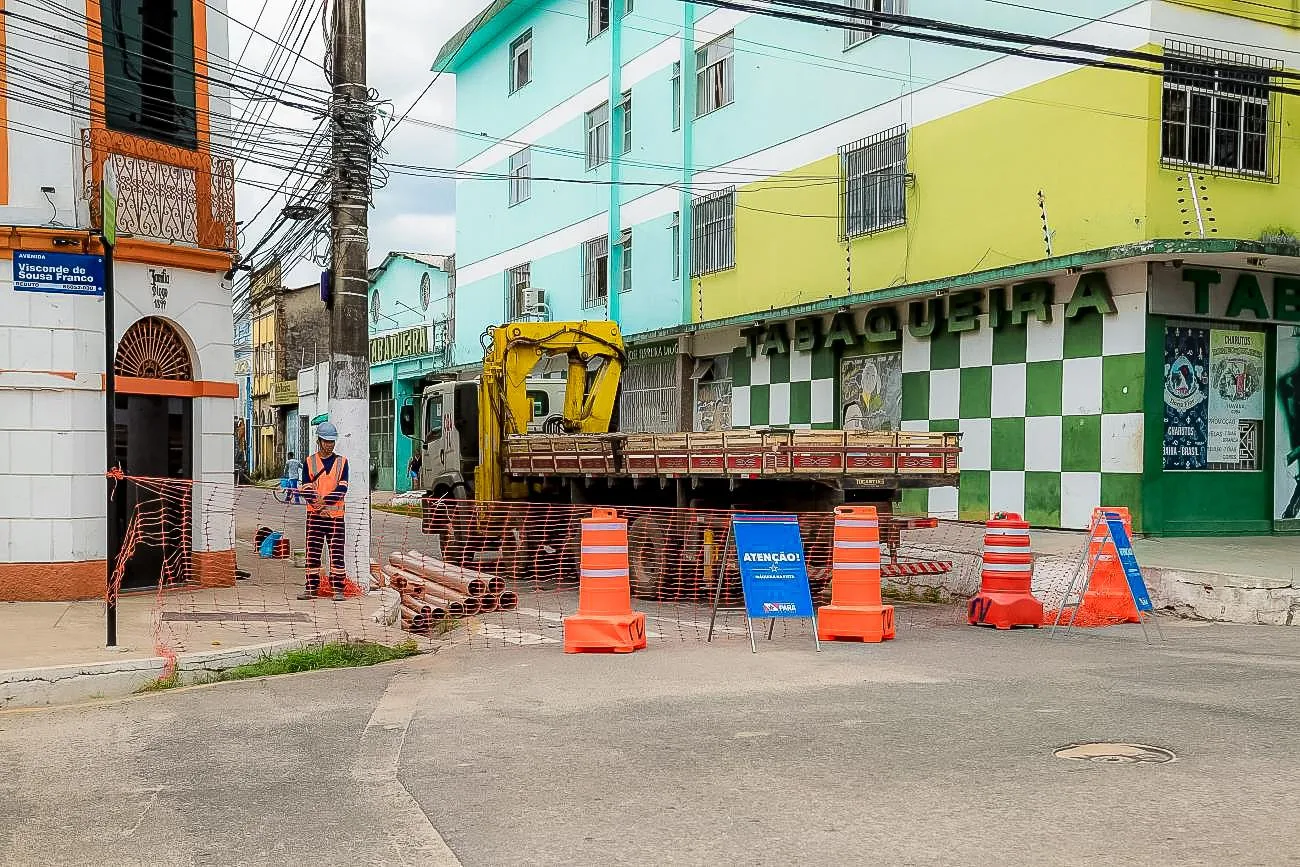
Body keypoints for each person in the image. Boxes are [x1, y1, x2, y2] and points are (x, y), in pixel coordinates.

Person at [297, 422, 349, 601]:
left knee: (336, 553)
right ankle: (311, 588)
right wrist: (320, 508)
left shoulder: (342, 462)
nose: (329, 445)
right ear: (319, 441)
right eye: (326, 441)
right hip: (314, 517)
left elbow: (343, 488)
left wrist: (325, 504)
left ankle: (338, 589)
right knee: (313, 553)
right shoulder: (309, 462)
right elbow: (305, 487)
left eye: (332, 442)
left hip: (335, 517)